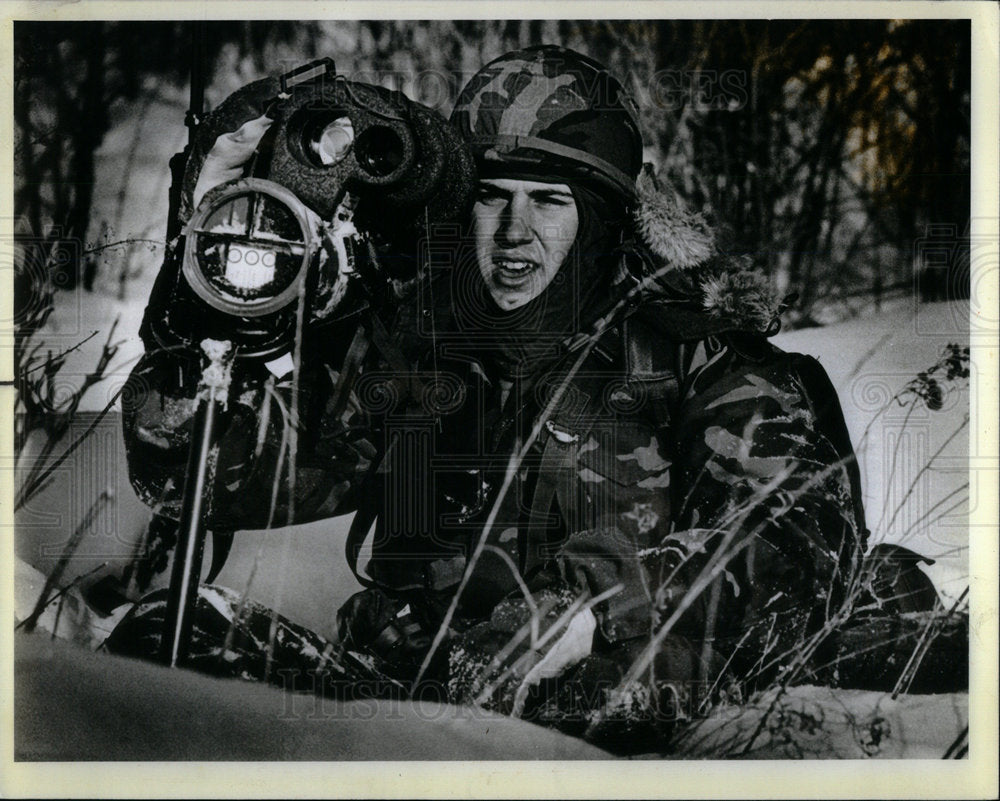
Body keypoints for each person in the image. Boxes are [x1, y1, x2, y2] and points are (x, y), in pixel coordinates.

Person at [115, 46, 954, 753]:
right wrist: (208, 286)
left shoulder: (705, 357)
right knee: (169, 640)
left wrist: (593, 611)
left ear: (605, 219)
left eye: (549, 202)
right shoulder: (424, 347)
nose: (515, 232)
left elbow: (794, 549)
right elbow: (211, 481)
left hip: (609, 727)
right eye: (490, 196)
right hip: (405, 708)